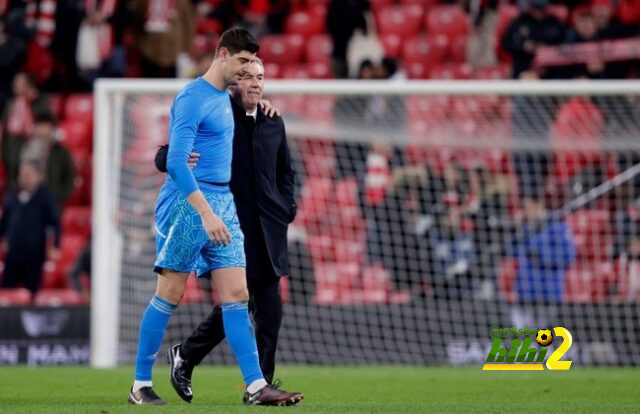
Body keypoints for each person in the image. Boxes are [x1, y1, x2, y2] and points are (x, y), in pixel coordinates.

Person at [128, 28, 301, 406]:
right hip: (190, 205)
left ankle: (256, 387)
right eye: (242, 62)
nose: (247, 71)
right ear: (223, 55)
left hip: (223, 201)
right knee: (170, 292)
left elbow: (247, 121)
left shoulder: (227, 97)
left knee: (237, 295)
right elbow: (173, 159)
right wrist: (206, 214)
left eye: (253, 67)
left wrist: (261, 102)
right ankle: (140, 384)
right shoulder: (192, 97)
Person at [0, 160, 60, 294]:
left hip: (34, 254)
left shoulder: (46, 198)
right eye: (22, 175)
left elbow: (55, 223)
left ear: (38, 176)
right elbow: (5, 220)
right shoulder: (12, 196)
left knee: (33, 292)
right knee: (6, 291)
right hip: (13, 252)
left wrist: (55, 245)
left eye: (28, 175)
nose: (24, 178)